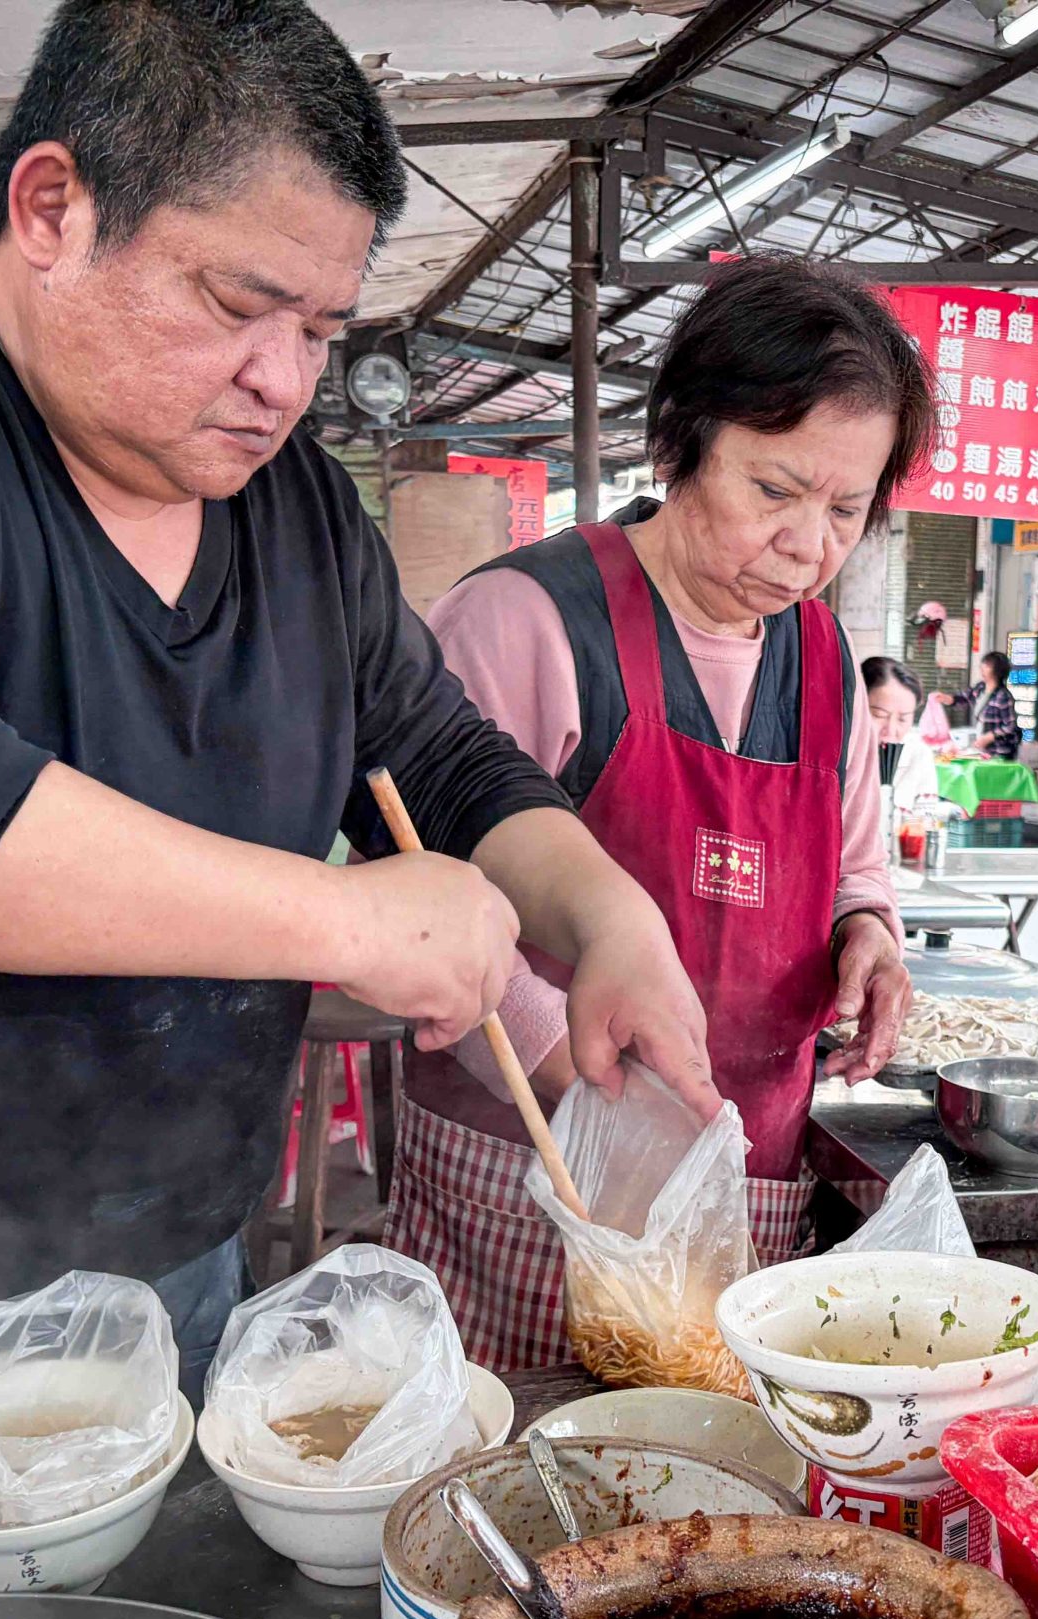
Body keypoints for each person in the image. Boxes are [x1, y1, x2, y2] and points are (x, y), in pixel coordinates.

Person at [0, 0, 715, 1471]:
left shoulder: (296, 512)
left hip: (164, 1255)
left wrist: (607, 919)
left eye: (321, 330)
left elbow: (437, 754)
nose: (284, 381)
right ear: (54, 209)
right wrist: (344, 920)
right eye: (237, 304)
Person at [391, 256, 927, 1369]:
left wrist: (868, 936)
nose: (808, 545)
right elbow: (417, 898)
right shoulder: (526, 620)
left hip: (750, 1173)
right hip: (530, 1175)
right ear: (679, 445)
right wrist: (601, 1106)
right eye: (773, 491)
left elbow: (855, 866)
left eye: (845, 510)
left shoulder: (827, 660)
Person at [864, 656, 943, 817]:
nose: (891, 730)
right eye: (879, 715)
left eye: (903, 719)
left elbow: (925, 819)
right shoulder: (837, 756)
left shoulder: (918, 754)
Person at [969, 650, 1024, 760]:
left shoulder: (1003, 696)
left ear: (997, 671)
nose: (982, 668)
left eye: (988, 666)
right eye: (984, 664)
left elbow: (1010, 726)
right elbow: (965, 697)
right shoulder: (980, 689)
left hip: (999, 754)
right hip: (984, 753)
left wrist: (990, 737)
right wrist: (948, 699)